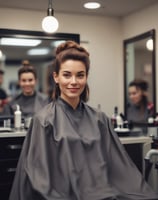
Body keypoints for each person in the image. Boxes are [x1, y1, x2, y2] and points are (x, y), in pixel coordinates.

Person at [9, 41, 158, 200]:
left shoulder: (100, 119)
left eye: (80, 75)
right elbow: (39, 177)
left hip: (102, 193)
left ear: (86, 77)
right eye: (67, 75)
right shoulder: (43, 120)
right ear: (56, 77)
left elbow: (120, 169)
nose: (74, 81)